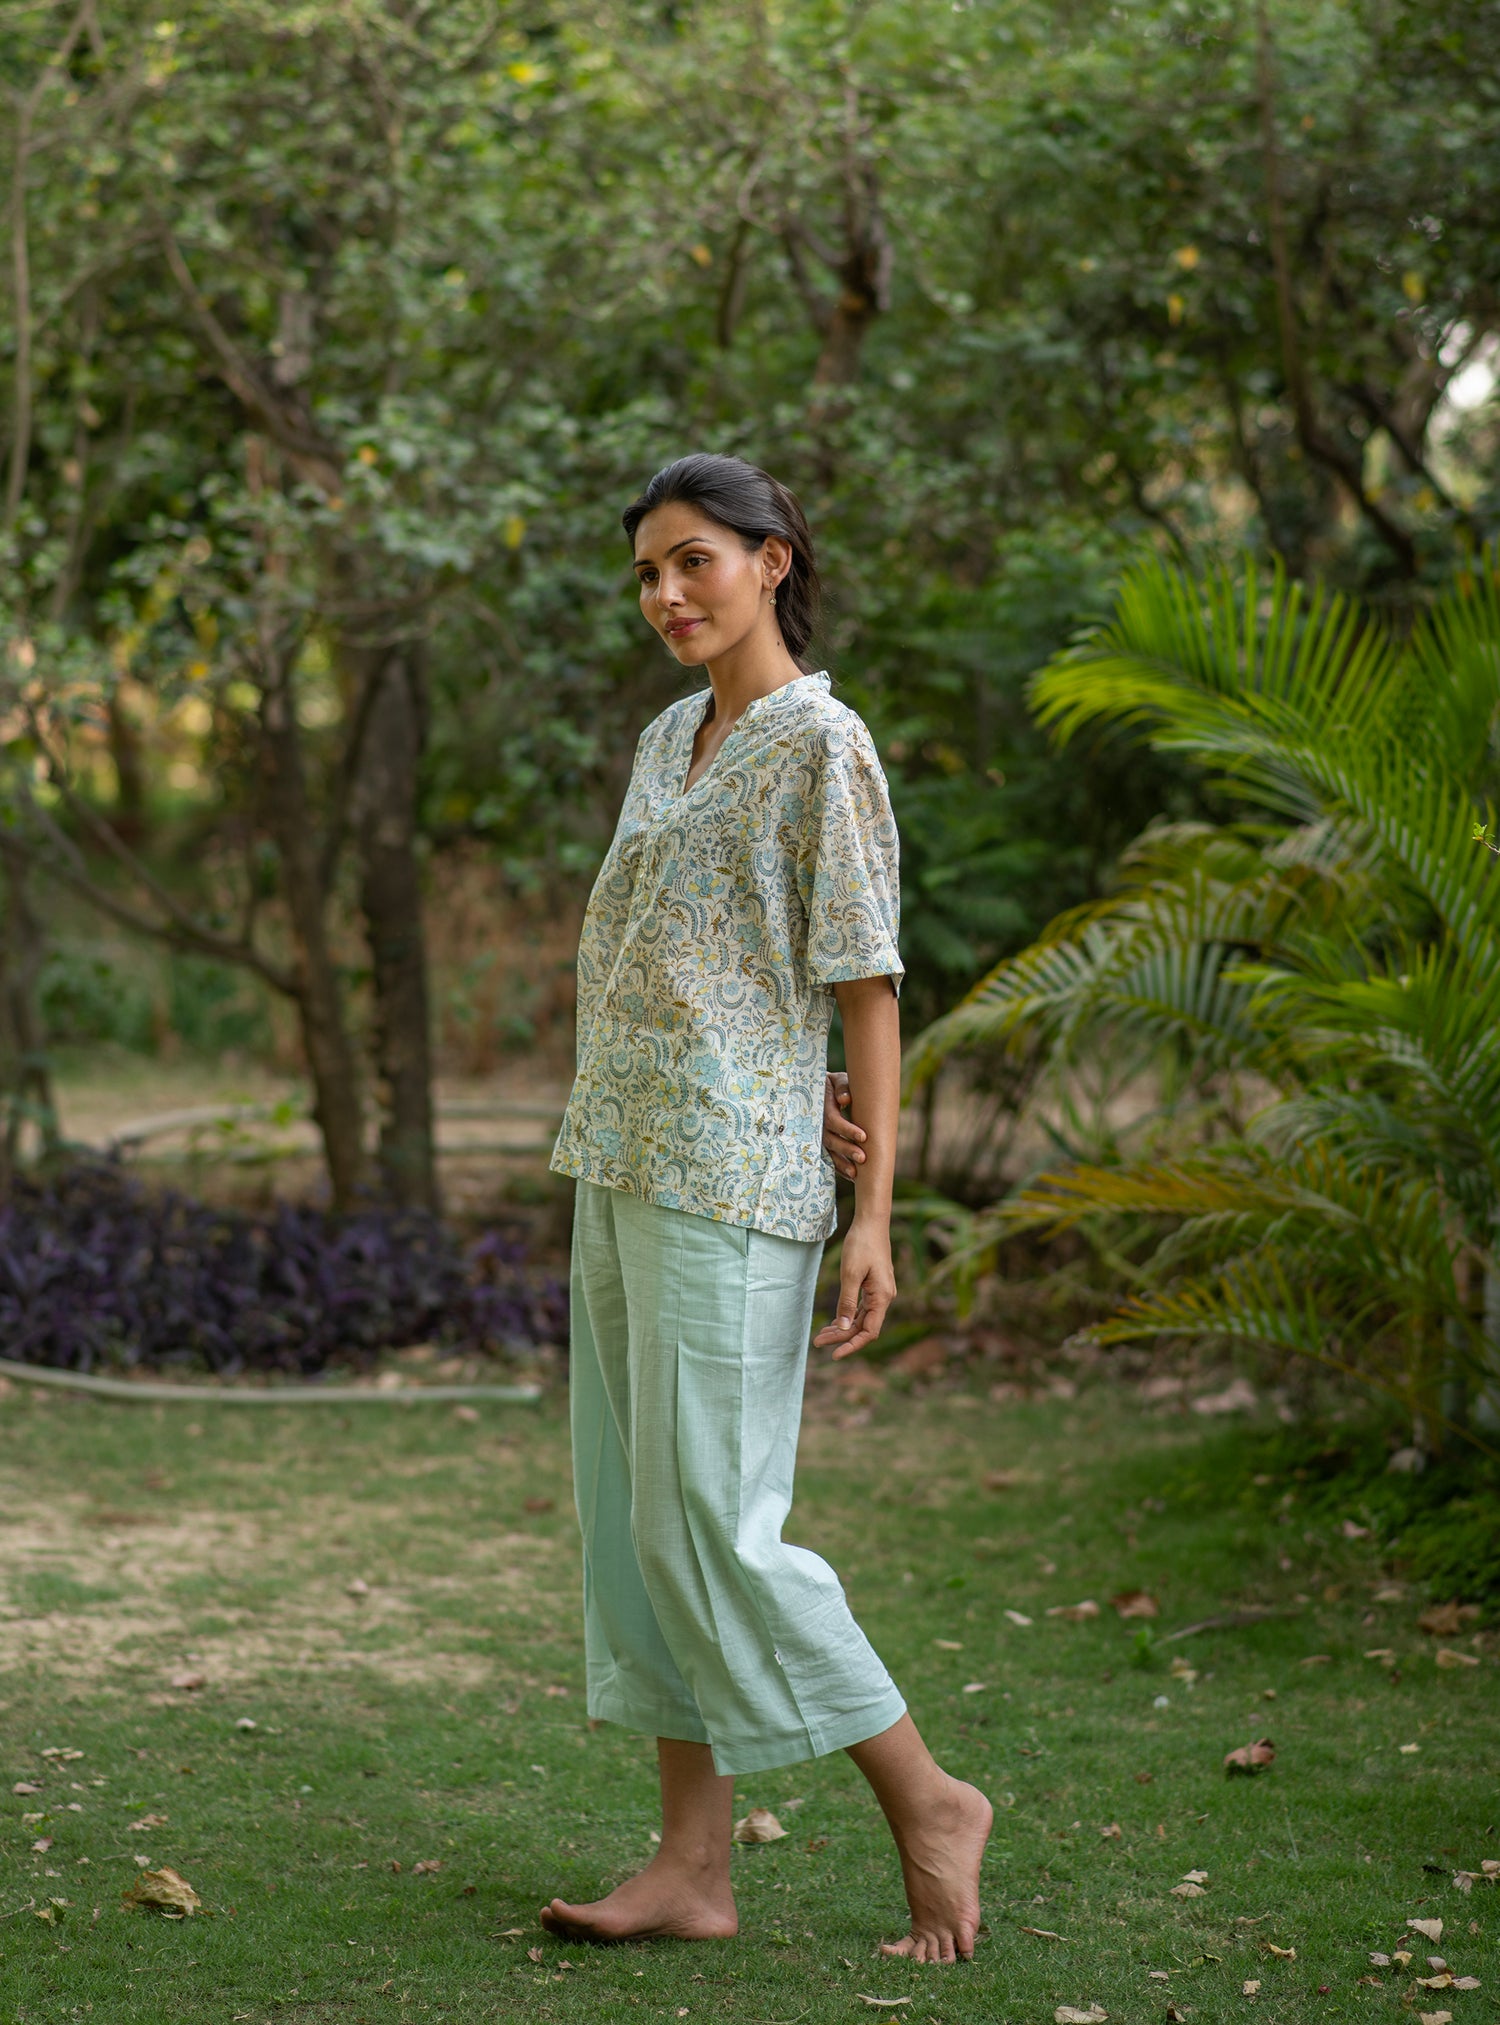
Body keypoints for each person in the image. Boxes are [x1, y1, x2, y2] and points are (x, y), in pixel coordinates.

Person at [544, 454, 991, 1963]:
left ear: (772, 561)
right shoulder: (669, 736)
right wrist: (788, 1069)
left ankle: (930, 1797)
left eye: (696, 561)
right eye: (648, 573)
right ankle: (692, 1865)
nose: (668, 594)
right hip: (620, 1154)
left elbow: (863, 976)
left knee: (720, 1528)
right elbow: (706, 955)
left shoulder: (823, 743)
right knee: (639, 1524)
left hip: (735, 1182)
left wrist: (875, 1212)